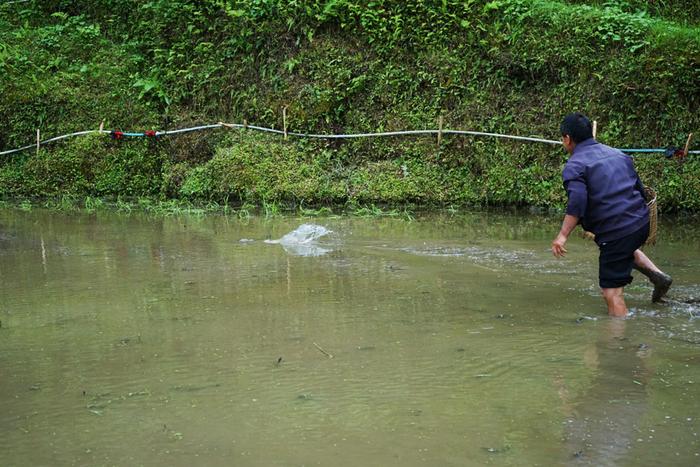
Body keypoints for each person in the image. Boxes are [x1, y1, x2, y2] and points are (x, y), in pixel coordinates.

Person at [551, 112, 672, 317]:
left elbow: (577, 202)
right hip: (642, 223)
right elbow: (640, 190)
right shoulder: (618, 154)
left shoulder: (575, 166)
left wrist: (562, 235)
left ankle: (619, 344)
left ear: (567, 139)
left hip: (617, 231)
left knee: (611, 293)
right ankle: (658, 276)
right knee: (623, 248)